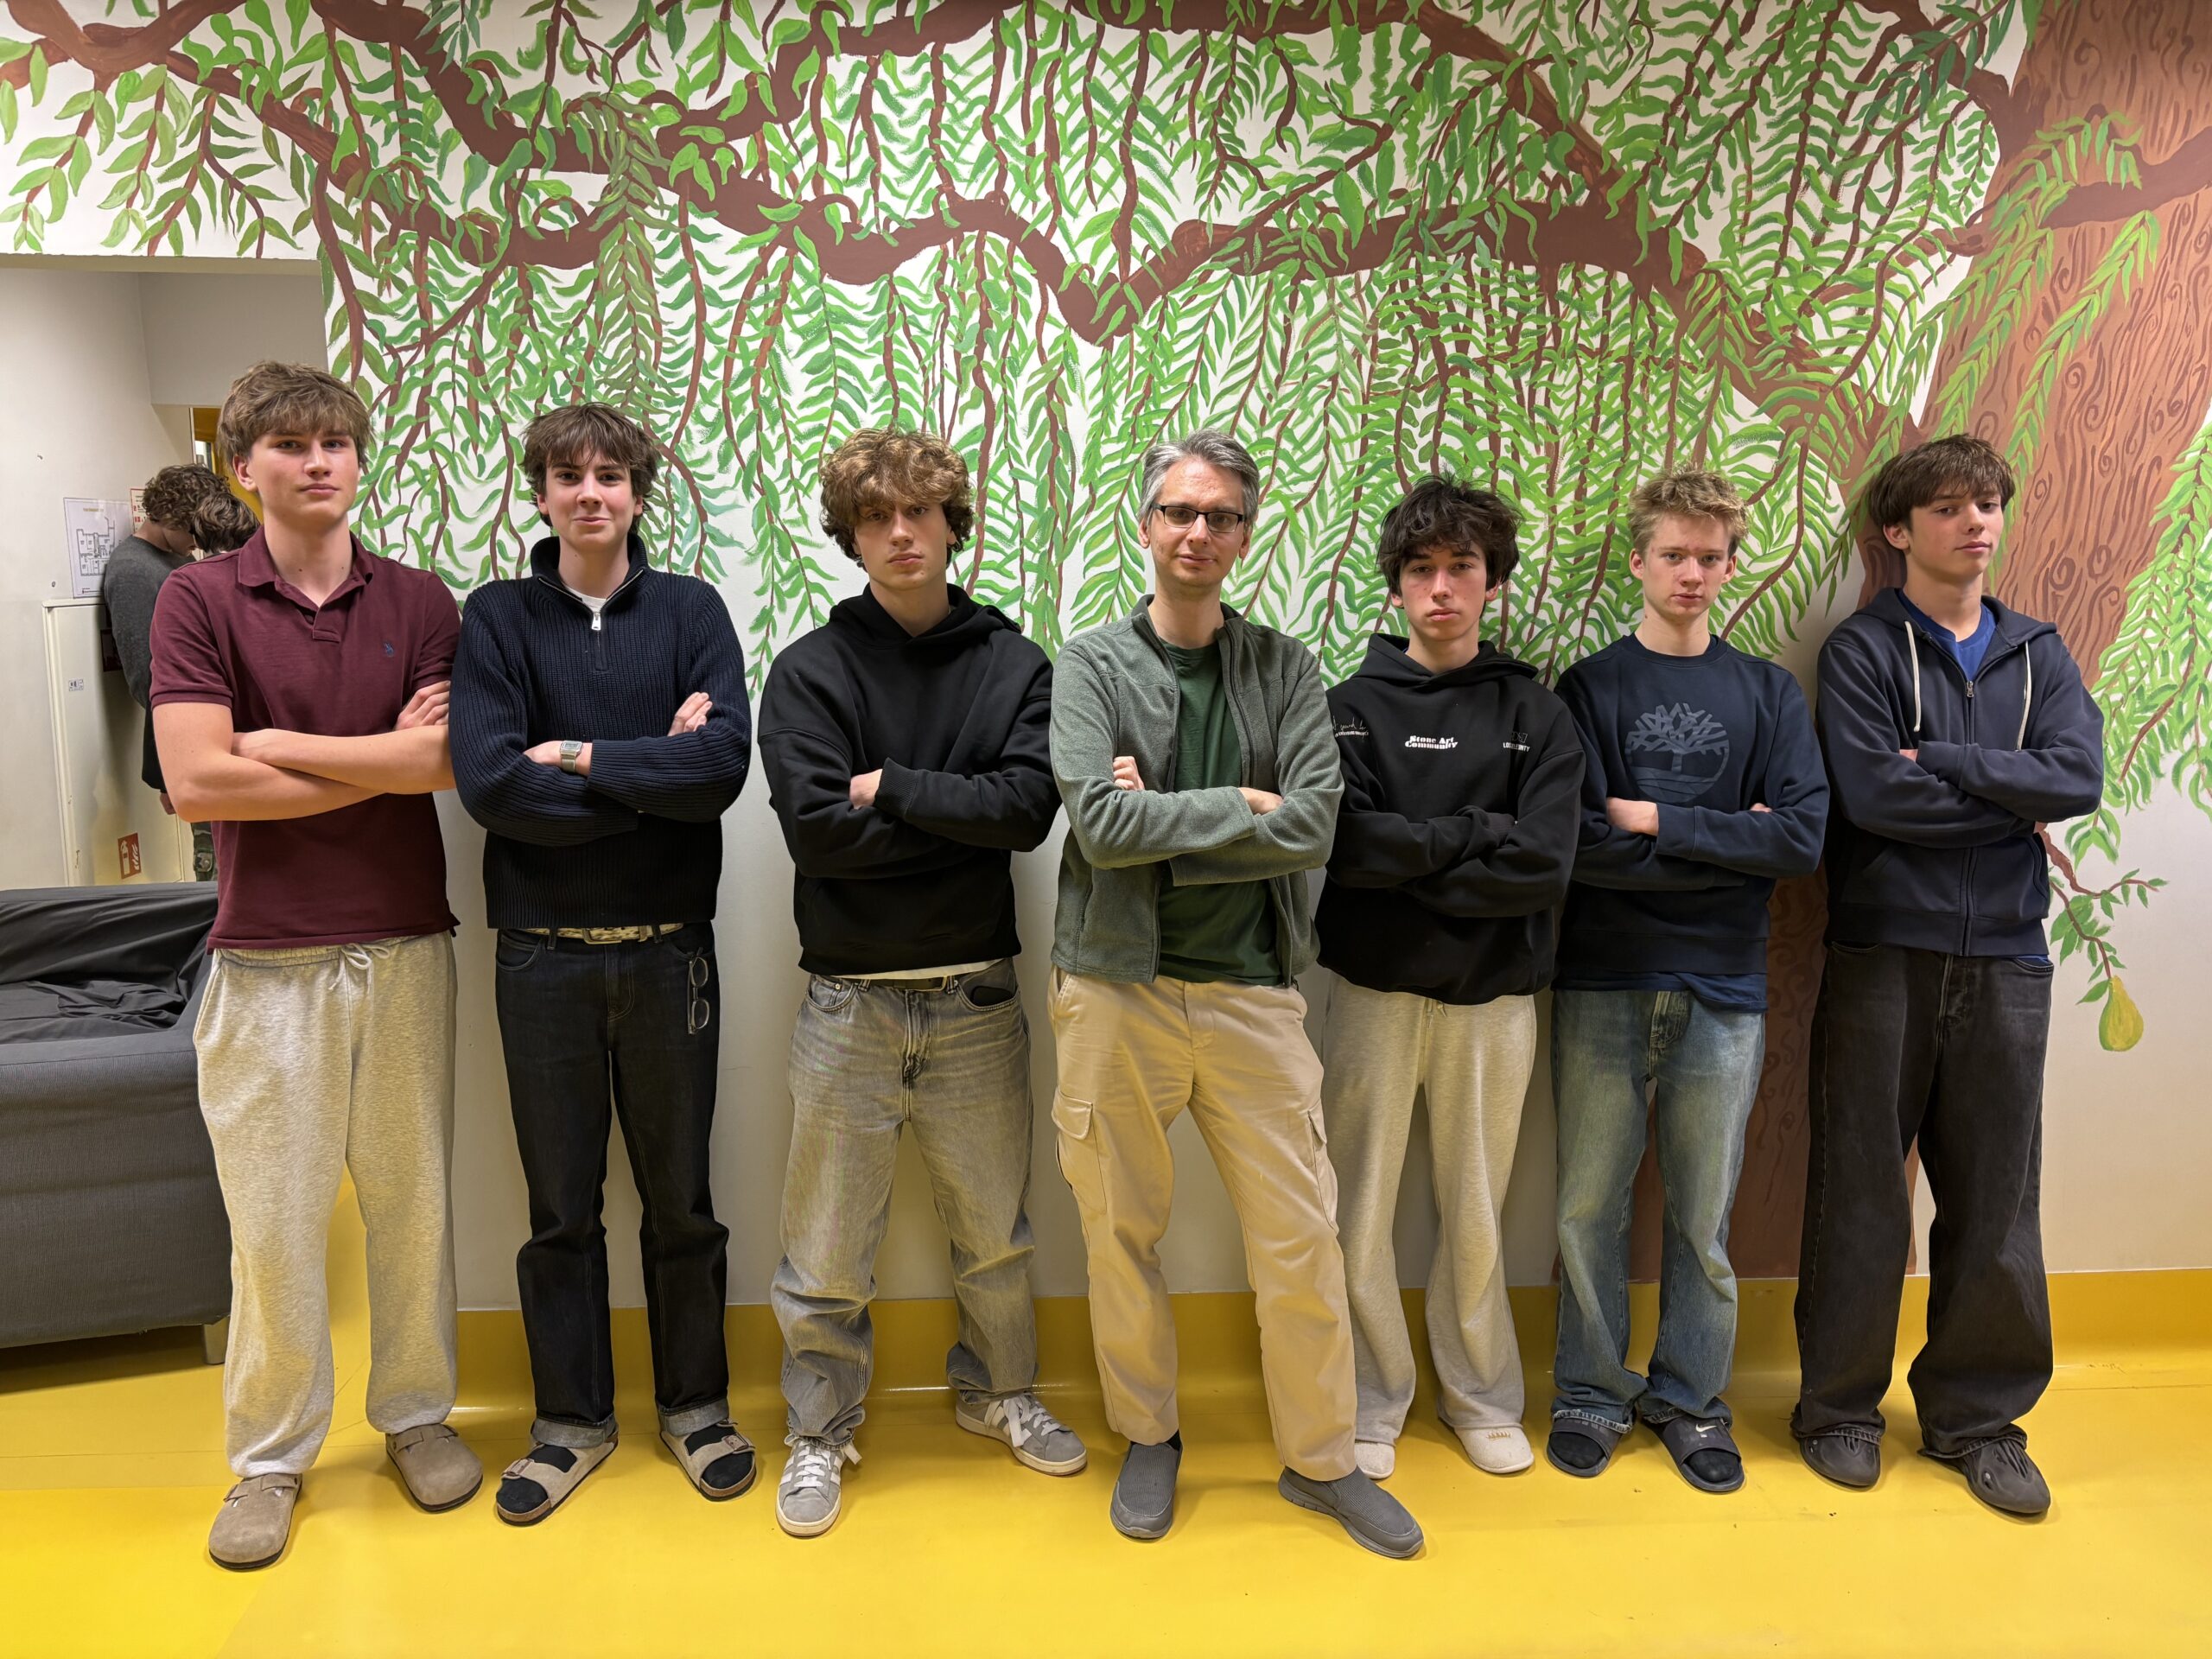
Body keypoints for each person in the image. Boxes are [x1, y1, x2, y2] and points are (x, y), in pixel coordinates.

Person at [1049, 428, 1422, 1559]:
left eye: (1221, 516)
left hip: (1256, 992)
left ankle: (1322, 1460)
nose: (1198, 532)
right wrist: (1238, 807)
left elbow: (1314, 825)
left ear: (1244, 537)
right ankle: (1147, 1435)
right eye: (1180, 511)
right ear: (1146, 524)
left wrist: (1163, 816)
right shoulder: (1091, 665)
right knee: (1120, 1231)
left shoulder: (1285, 668)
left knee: (1302, 1238)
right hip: (1116, 988)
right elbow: (1099, 827)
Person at [149, 362, 479, 1569]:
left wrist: (279, 743)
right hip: (265, 960)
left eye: (336, 440)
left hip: (405, 945)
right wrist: (373, 756)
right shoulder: (196, 600)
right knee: (274, 1225)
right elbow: (198, 781)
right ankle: (270, 1461)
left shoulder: (422, 600)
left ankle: (418, 1415)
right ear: (244, 469)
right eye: (290, 445)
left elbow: (441, 765)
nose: (319, 461)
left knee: (413, 1207)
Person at [757, 428, 1082, 1539]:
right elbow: (817, 836)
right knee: (824, 1249)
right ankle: (819, 1426)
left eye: (919, 512)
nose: (900, 533)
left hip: (976, 997)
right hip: (847, 1000)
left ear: (952, 526)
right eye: (875, 517)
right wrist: (952, 810)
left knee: (996, 1235)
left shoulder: (1013, 664)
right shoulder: (809, 670)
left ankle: (1000, 1391)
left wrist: (888, 786)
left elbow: (1025, 812)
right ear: (849, 536)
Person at [448, 404, 755, 1525]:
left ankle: (697, 1407)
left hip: (673, 956)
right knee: (559, 1211)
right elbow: (491, 785)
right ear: (539, 494)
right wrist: (648, 775)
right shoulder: (497, 618)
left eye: (611, 474)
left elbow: (721, 769)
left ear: (636, 493)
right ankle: (570, 1425)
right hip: (542, 961)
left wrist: (577, 756)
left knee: (683, 1204)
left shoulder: (691, 612)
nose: (590, 492)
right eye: (569, 475)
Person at [1794, 435, 2103, 1516]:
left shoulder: (2038, 652)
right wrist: (2011, 804)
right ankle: (1837, 1408)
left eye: (1986, 505)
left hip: (2009, 957)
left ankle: (1977, 1421)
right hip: (1884, 949)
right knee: (1859, 1190)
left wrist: (1954, 763)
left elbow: (2077, 777)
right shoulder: (1863, 650)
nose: (1975, 523)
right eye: (1947, 508)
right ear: (1898, 530)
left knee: (1995, 1198)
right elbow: (1874, 797)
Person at [1546, 469, 1827, 1494]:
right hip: (1602, 976)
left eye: (1710, 557)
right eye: (1674, 554)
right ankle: (1588, 1391)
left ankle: (1689, 1399)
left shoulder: (1767, 694)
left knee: (1703, 1216)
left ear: (1729, 567)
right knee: (1586, 1206)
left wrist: (1656, 820)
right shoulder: (1587, 690)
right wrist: (1726, 842)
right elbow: (1578, 845)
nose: (1692, 573)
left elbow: (1797, 841)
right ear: (1639, 561)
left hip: (1723, 984)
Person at [1313, 477, 1583, 1482]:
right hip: (1371, 995)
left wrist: (1413, 857)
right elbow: (1348, 852)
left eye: (1460, 567)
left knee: (1477, 1210)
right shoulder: (1345, 710)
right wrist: (1478, 834)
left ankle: (1480, 1398)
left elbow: (1542, 867)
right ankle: (1367, 1398)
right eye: (1421, 569)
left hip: (1494, 1000)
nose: (1440, 588)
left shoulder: (1536, 714)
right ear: (1395, 586)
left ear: (1490, 581)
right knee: (1357, 1210)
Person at [104, 463, 228, 805]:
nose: (199, 541)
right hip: (188, 734)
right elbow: (147, 678)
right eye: (193, 530)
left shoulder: (179, 560)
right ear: (171, 517)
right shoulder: (134, 571)